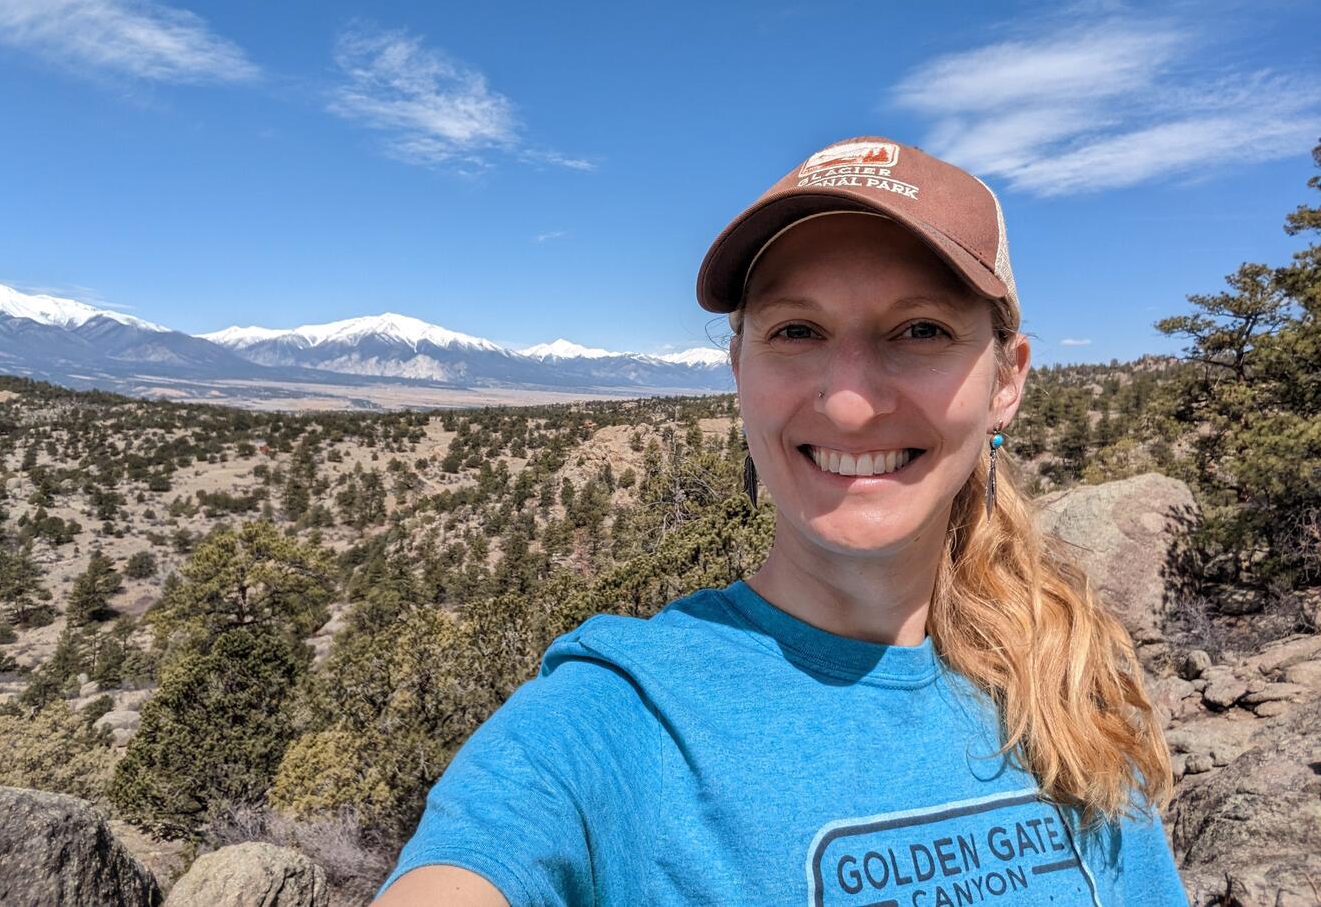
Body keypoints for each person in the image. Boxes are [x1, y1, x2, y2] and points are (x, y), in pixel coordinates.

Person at [373, 136, 1188, 906]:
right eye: (797, 331)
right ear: (739, 369)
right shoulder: (616, 717)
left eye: (921, 330)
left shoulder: (1072, 685)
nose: (849, 400)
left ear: (1006, 380)